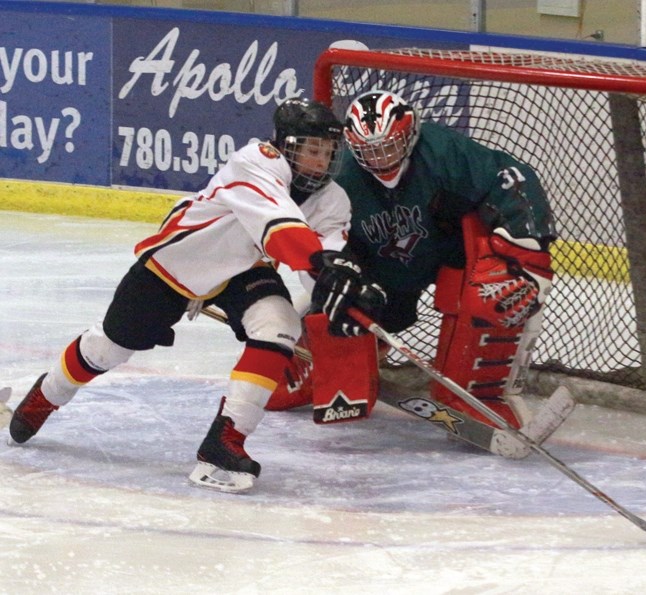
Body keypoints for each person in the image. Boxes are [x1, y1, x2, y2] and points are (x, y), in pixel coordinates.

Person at [8, 98, 385, 493]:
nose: (321, 162)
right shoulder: (255, 161)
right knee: (110, 347)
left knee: (279, 326)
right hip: (180, 263)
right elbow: (281, 226)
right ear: (286, 146)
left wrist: (343, 292)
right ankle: (46, 394)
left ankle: (225, 442)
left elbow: (324, 261)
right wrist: (323, 266)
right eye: (312, 151)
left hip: (244, 270)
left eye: (328, 153)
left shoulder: (333, 200)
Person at [334, 89, 559, 443]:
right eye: (369, 151)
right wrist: (339, 272)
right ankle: (332, 368)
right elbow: (316, 233)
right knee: (343, 308)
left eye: (389, 147)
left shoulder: (442, 152)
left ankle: (471, 394)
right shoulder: (340, 175)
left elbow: (512, 177)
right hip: (382, 265)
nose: (380, 160)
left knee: (492, 297)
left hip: (448, 248)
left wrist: (529, 254)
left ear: (409, 135)